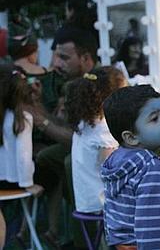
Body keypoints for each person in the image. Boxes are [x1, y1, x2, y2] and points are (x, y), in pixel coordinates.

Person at [30, 28, 98, 245]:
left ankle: (82, 239)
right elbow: (68, 127)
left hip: (100, 154)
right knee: (47, 156)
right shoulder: (73, 85)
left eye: (64, 57)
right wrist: (37, 106)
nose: (57, 63)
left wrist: (40, 120)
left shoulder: (96, 84)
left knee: (69, 161)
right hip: (84, 148)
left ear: (86, 58)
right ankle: (62, 228)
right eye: (57, 56)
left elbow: (76, 139)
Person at [101, 85, 160, 249]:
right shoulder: (151, 168)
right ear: (131, 137)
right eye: (155, 118)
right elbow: (148, 225)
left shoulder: (116, 159)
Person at [66, 67, 127, 214]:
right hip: (102, 203)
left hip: (87, 200)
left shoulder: (85, 123)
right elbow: (112, 171)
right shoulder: (103, 130)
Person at [0, 65, 44, 248]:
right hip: (13, 182)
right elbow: (23, 156)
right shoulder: (23, 118)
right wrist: (28, 183)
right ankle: (23, 234)